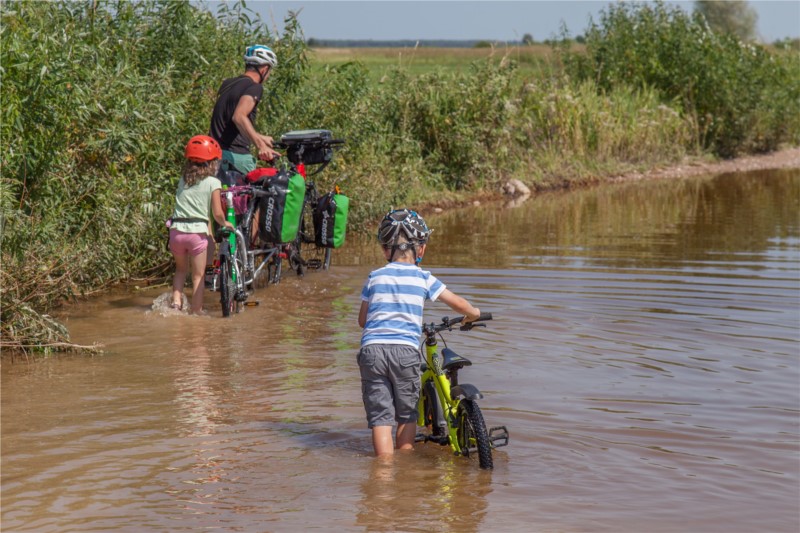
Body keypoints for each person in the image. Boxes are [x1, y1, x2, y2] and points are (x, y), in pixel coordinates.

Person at [357, 209, 481, 456]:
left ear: (385, 250)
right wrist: (473, 313)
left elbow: (363, 320)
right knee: (406, 414)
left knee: (381, 418)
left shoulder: (374, 277)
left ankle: (383, 473)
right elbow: (456, 302)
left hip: (371, 352)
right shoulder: (423, 278)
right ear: (421, 249)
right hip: (404, 352)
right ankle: (404, 467)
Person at [168, 135, 233, 314]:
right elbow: (217, 213)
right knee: (198, 277)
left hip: (176, 232)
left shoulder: (183, 180)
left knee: (181, 271)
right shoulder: (214, 182)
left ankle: (175, 305)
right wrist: (226, 223)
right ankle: (196, 313)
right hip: (196, 235)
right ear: (212, 163)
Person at [209, 44, 281, 175]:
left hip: (213, 156)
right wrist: (261, 146)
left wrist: (260, 137)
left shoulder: (228, 84)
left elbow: (227, 122)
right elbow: (239, 117)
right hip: (235, 158)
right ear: (264, 69)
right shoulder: (255, 87)